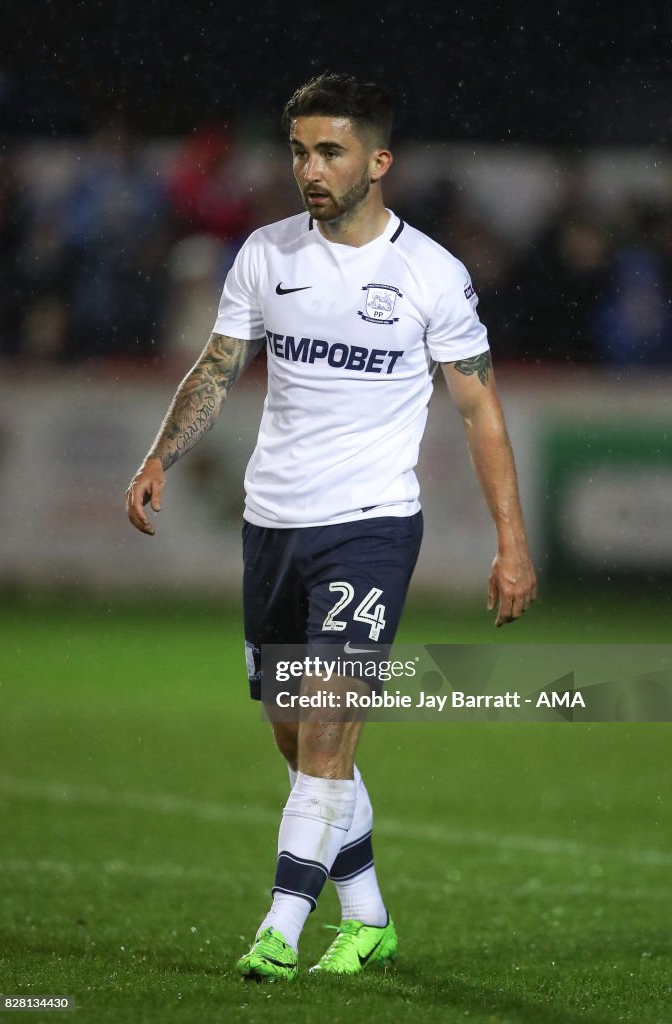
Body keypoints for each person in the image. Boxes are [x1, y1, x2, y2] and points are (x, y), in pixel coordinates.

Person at [126, 73, 537, 982]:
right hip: (273, 521)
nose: (310, 169)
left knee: (326, 723)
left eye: (331, 151)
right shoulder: (266, 256)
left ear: (377, 160)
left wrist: (511, 542)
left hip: (371, 525)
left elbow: (479, 410)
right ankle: (370, 917)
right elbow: (219, 364)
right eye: (300, 151)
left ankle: (279, 925)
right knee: (290, 728)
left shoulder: (429, 274)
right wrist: (160, 455)